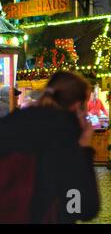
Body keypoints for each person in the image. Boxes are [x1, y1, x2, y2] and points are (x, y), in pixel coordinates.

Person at [0, 71, 99, 223]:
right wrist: (84, 149)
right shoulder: (65, 133)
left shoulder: (12, 122)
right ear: (77, 106)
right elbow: (82, 207)